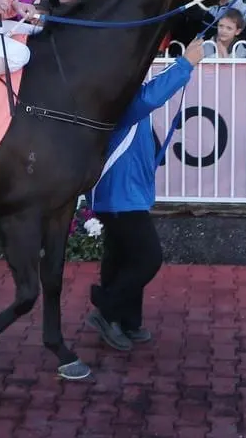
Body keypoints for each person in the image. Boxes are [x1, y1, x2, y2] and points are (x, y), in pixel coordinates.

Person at [86, 38, 205, 351]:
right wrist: (186, 63)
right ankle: (108, 309)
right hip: (117, 192)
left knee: (121, 256)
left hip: (123, 191)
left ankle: (126, 320)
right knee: (148, 258)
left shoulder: (118, 88)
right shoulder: (115, 95)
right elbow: (151, 97)